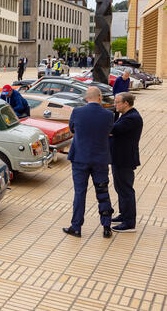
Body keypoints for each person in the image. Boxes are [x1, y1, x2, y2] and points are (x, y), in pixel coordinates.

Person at [63, 86, 115, 238]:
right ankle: (106, 227)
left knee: (80, 193)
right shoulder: (109, 115)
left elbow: (72, 130)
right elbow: (109, 131)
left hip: (80, 158)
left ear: (87, 97)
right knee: (103, 192)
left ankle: (76, 227)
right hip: (100, 160)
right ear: (100, 97)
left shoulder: (77, 112)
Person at [109, 92, 143, 233]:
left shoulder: (132, 118)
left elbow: (112, 130)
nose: (115, 104)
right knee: (120, 189)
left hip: (125, 159)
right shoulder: (126, 116)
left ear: (126, 103)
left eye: (117, 102)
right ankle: (124, 215)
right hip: (119, 158)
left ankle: (129, 223)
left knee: (126, 190)